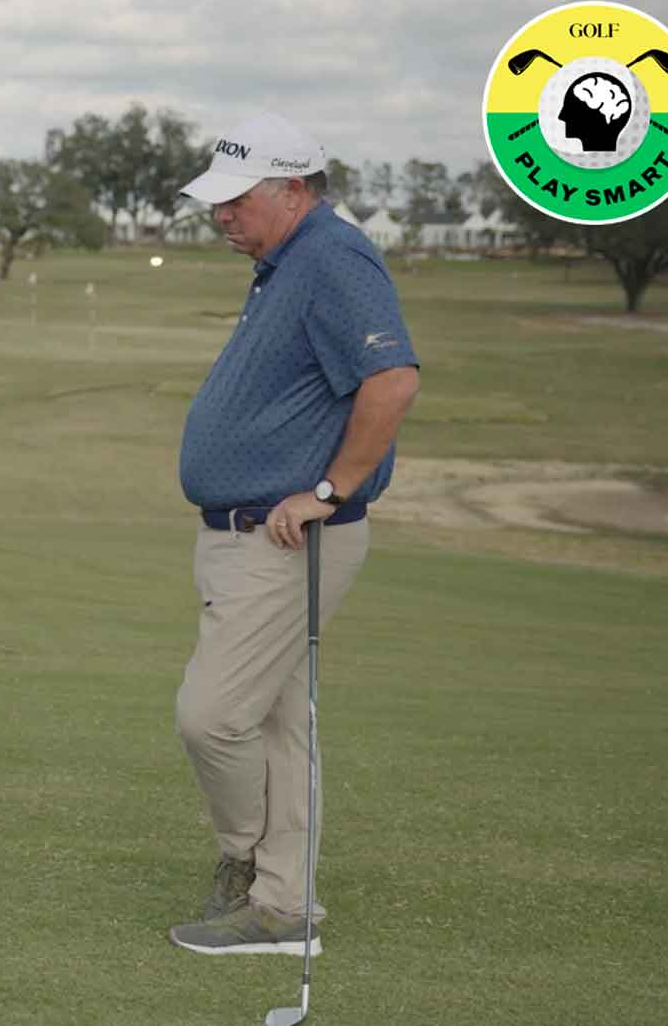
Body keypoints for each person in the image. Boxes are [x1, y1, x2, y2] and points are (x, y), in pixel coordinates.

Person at [164, 112, 420, 956]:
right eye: (217, 203)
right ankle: (284, 904)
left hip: (286, 536)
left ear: (294, 189)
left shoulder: (332, 256)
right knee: (275, 725)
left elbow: (391, 379)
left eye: (237, 201)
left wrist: (330, 488)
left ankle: (248, 861)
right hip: (242, 533)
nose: (221, 216)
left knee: (213, 715)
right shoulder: (283, 263)